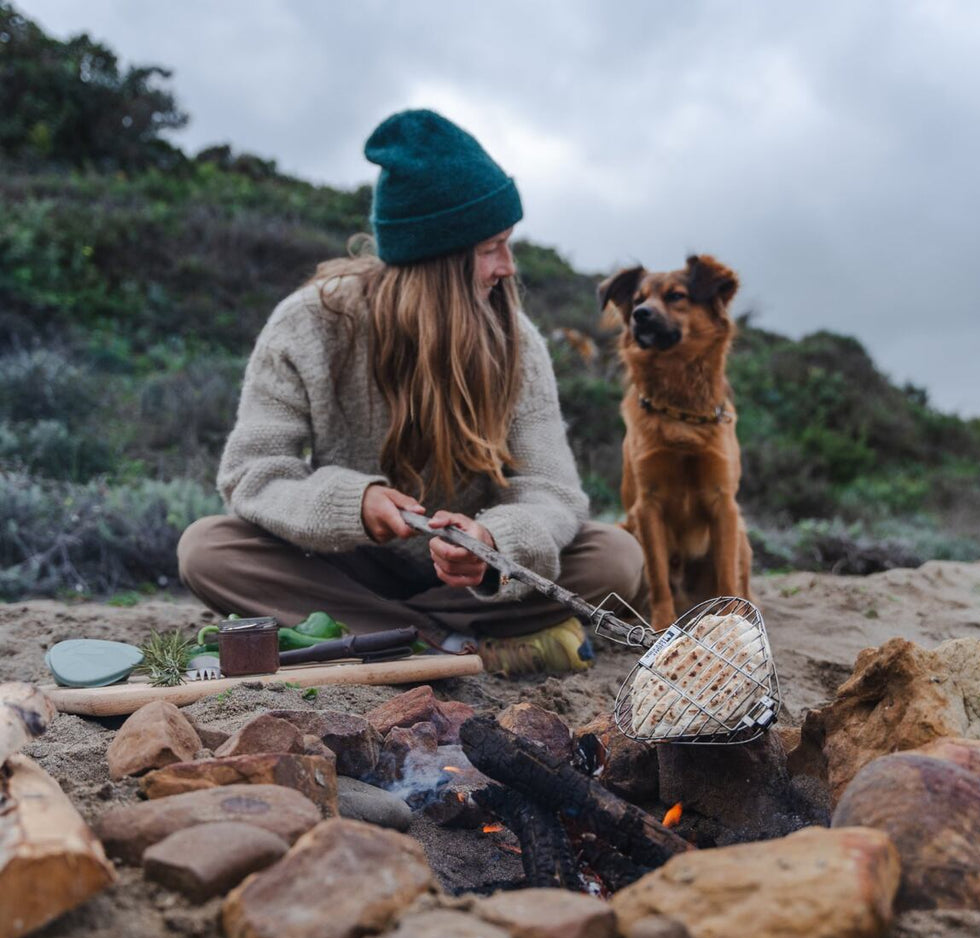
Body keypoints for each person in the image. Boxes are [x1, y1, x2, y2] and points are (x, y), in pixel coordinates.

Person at [177, 109, 645, 675]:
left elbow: (552, 492)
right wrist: (354, 505)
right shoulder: (308, 324)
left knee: (616, 559)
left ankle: (390, 636)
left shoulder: (517, 342)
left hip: (468, 580)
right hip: (347, 563)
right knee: (207, 550)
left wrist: (494, 544)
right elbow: (253, 472)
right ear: (439, 259)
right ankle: (439, 642)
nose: (507, 266)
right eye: (492, 247)